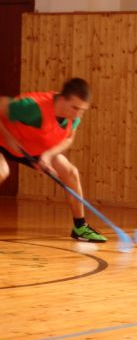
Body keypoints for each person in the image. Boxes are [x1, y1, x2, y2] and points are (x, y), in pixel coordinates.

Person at [0, 77, 107, 242]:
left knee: (70, 172)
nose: (78, 114)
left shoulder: (73, 117)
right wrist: (8, 137)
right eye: (75, 108)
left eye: (82, 110)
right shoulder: (32, 108)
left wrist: (47, 156)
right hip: (3, 140)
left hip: (31, 147)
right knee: (2, 171)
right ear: (62, 99)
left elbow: (68, 139)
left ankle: (80, 227)